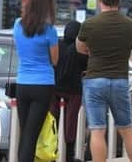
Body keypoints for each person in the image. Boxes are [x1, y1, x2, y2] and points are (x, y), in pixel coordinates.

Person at [76, 0, 132, 162]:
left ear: (99, 0)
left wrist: (92, 50)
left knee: (97, 130)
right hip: (120, 80)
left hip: (95, 79)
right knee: (127, 129)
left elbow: (80, 48)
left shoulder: (90, 24)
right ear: (119, 0)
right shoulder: (130, 25)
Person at [13, 0, 59, 162]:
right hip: (42, 85)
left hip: (22, 84)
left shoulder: (17, 25)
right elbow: (54, 60)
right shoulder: (49, 31)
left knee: (25, 133)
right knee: (32, 136)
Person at [51, 20, 88, 162]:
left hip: (54, 88)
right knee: (70, 124)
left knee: (53, 122)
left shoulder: (57, 45)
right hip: (74, 91)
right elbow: (86, 66)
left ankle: (51, 152)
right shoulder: (79, 50)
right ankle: (69, 156)